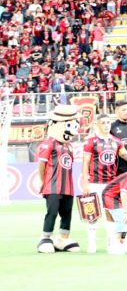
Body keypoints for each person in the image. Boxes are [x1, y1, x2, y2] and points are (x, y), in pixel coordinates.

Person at [81, 113, 127, 253]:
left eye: (108, 123)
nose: (106, 125)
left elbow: (126, 156)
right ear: (97, 124)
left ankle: (111, 243)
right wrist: (85, 183)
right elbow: (85, 162)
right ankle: (92, 244)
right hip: (94, 182)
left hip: (110, 185)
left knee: (110, 214)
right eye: (103, 123)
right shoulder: (91, 141)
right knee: (92, 214)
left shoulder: (116, 141)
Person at [37, 105, 81, 254]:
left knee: (67, 213)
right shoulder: (48, 143)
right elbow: (41, 163)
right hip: (52, 186)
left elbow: (68, 165)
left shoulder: (69, 146)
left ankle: (62, 238)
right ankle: (45, 237)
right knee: (52, 212)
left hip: (68, 186)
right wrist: (41, 181)